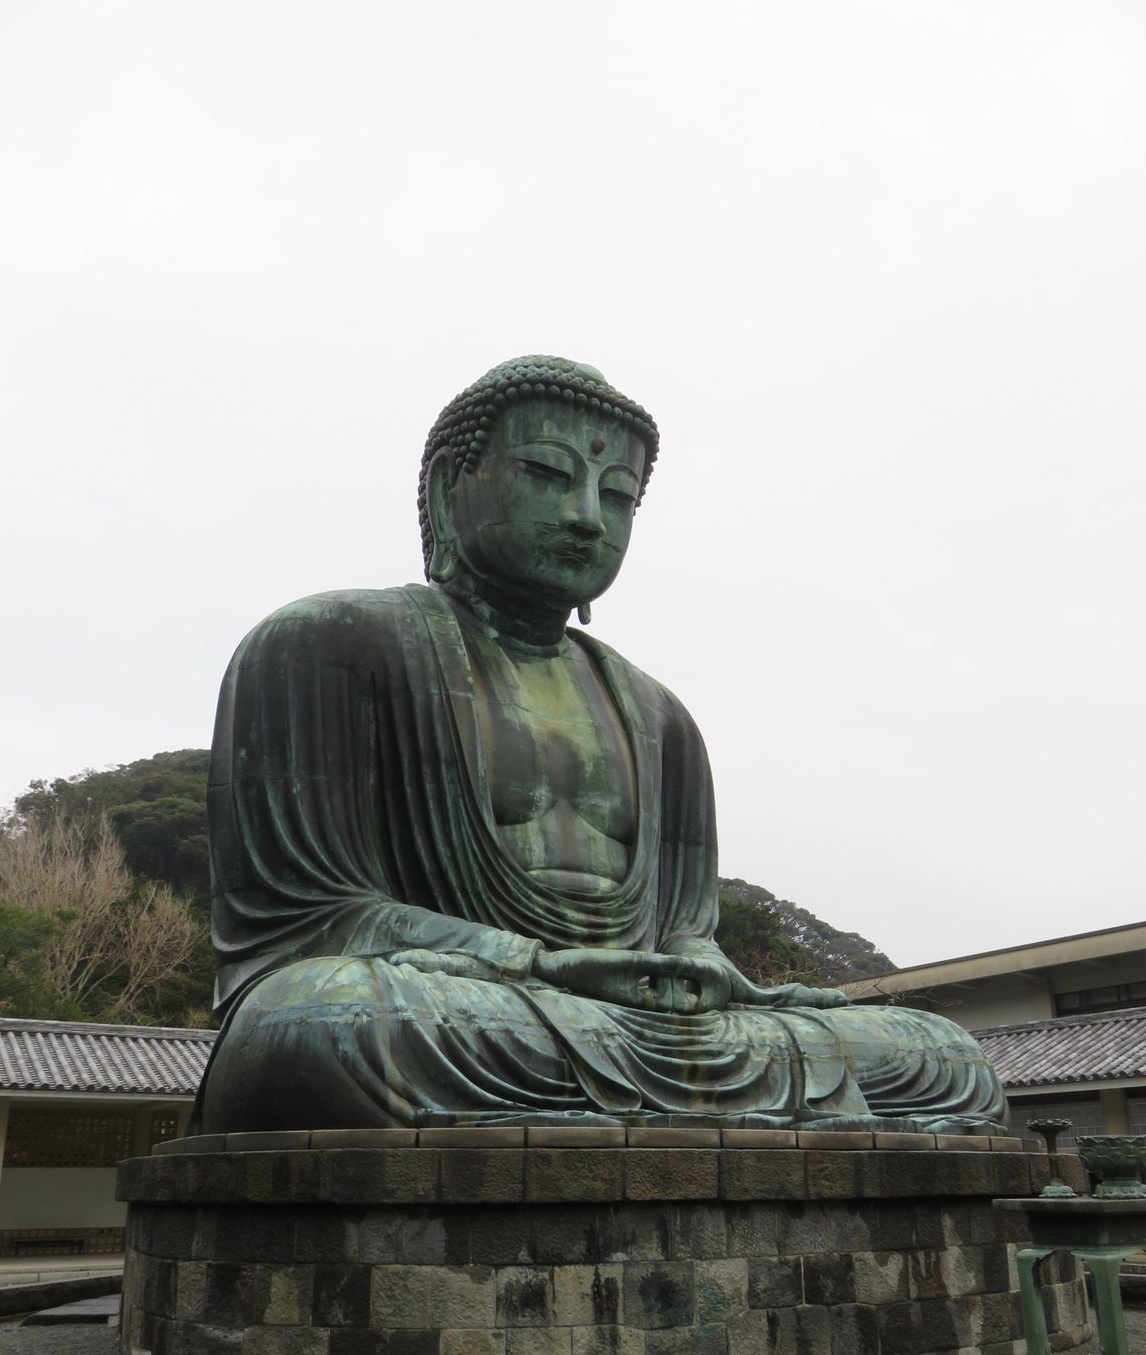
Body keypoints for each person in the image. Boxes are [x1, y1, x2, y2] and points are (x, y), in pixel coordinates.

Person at [191, 356, 1007, 1133]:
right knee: (317, 1026)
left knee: (943, 1057)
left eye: (617, 496)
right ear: (447, 490)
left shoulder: (662, 718)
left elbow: (682, 927)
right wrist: (534, 964)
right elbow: (313, 921)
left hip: (624, 1025)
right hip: (454, 1005)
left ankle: (665, 1103)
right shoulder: (326, 644)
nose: (586, 516)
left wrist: (701, 973)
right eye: (548, 476)